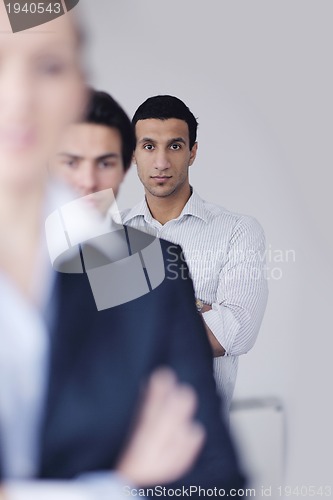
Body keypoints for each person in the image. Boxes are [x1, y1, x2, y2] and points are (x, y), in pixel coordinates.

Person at [0, 8, 244, 500]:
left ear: (78, 87)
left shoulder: (148, 267)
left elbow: (211, 480)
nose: (18, 96)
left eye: (48, 66)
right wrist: (112, 487)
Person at [122, 95, 269, 411]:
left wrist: (130, 312)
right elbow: (84, 333)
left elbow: (237, 332)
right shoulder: (108, 232)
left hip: (198, 438)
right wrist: (195, 306)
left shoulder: (238, 230)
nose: (161, 162)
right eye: (148, 147)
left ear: (193, 152)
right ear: (133, 154)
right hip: (112, 439)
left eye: (174, 146)